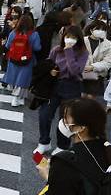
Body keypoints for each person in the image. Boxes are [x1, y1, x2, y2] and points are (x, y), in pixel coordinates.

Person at [37, 98, 111, 195]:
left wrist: (48, 176)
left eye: (66, 118)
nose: (63, 121)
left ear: (81, 128)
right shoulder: (109, 152)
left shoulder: (64, 160)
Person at [36, 26, 88, 155]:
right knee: (44, 114)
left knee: (65, 118)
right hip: (54, 85)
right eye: (67, 36)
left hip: (72, 86)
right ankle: (44, 142)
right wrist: (50, 71)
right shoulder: (56, 50)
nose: (70, 40)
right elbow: (48, 64)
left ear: (79, 39)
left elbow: (75, 71)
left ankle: (62, 145)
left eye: (73, 37)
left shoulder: (82, 52)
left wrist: (69, 52)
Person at [3, 15, 41, 107]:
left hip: (13, 59)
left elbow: (7, 46)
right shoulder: (34, 34)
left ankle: (19, 97)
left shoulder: (13, 33)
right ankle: (16, 98)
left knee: (14, 77)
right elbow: (37, 48)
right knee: (23, 79)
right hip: (27, 60)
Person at [82, 21, 111, 98]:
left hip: (97, 75)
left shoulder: (108, 45)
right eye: (98, 29)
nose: (100, 31)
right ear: (91, 30)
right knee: (80, 97)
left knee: (90, 98)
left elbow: (108, 62)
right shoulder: (82, 41)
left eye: (103, 30)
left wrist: (93, 67)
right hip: (81, 73)